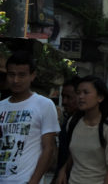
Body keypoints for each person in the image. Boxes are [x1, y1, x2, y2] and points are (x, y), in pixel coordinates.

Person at [0, 50, 60, 184]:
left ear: (32, 76)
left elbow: (49, 148)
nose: (16, 80)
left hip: (25, 180)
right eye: (11, 75)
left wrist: (33, 181)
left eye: (22, 75)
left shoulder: (44, 104)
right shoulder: (1, 106)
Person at [56, 76, 108, 184]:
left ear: (100, 97)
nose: (81, 97)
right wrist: (63, 171)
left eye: (86, 92)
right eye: (78, 93)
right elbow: (74, 154)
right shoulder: (73, 122)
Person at [54, 76, 81, 180]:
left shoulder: (82, 122)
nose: (64, 101)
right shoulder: (69, 119)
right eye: (63, 97)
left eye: (69, 97)